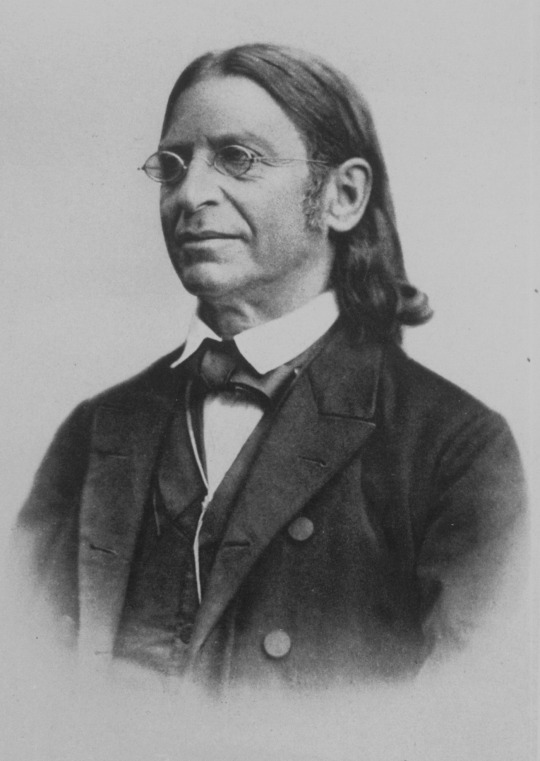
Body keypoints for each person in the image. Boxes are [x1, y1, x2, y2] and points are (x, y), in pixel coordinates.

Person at [14, 43, 525, 690]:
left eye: (238, 158)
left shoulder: (455, 448)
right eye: (172, 167)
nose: (190, 194)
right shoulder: (95, 432)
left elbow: (467, 712)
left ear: (342, 196)